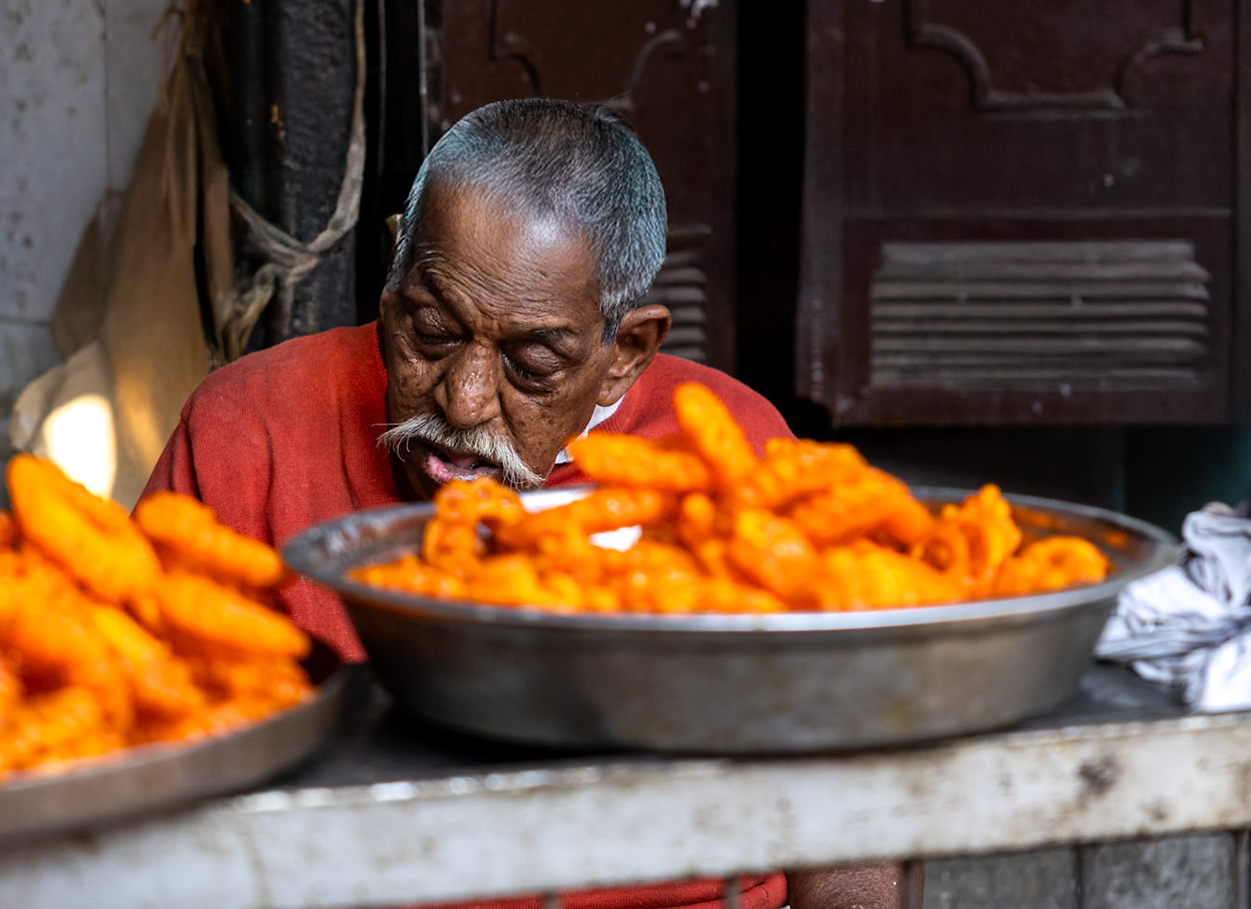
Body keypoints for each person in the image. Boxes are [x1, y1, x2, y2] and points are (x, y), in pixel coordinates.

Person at [141, 99, 910, 909]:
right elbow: (135, 768)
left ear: (625, 354)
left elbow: (851, 793)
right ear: (392, 269)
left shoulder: (742, 456)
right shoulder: (246, 429)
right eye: (431, 330)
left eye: (532, 363)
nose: (465, 400)